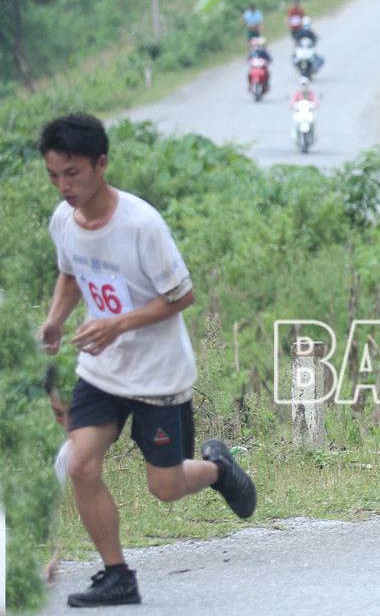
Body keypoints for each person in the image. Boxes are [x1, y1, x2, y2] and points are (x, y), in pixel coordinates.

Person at [35, 114, 256, 607]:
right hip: (102, 371)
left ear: (101, 164)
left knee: (167, 486)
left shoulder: (141, 224)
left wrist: (115, 324)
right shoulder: (63, 221)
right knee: (81, 463)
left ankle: (219, 469)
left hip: (159, 374)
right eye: (54, 175)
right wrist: (55, 321)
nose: (64, 186)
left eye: (73, 173)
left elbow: (182, 295)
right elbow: (70, 273)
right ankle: (118, 575)